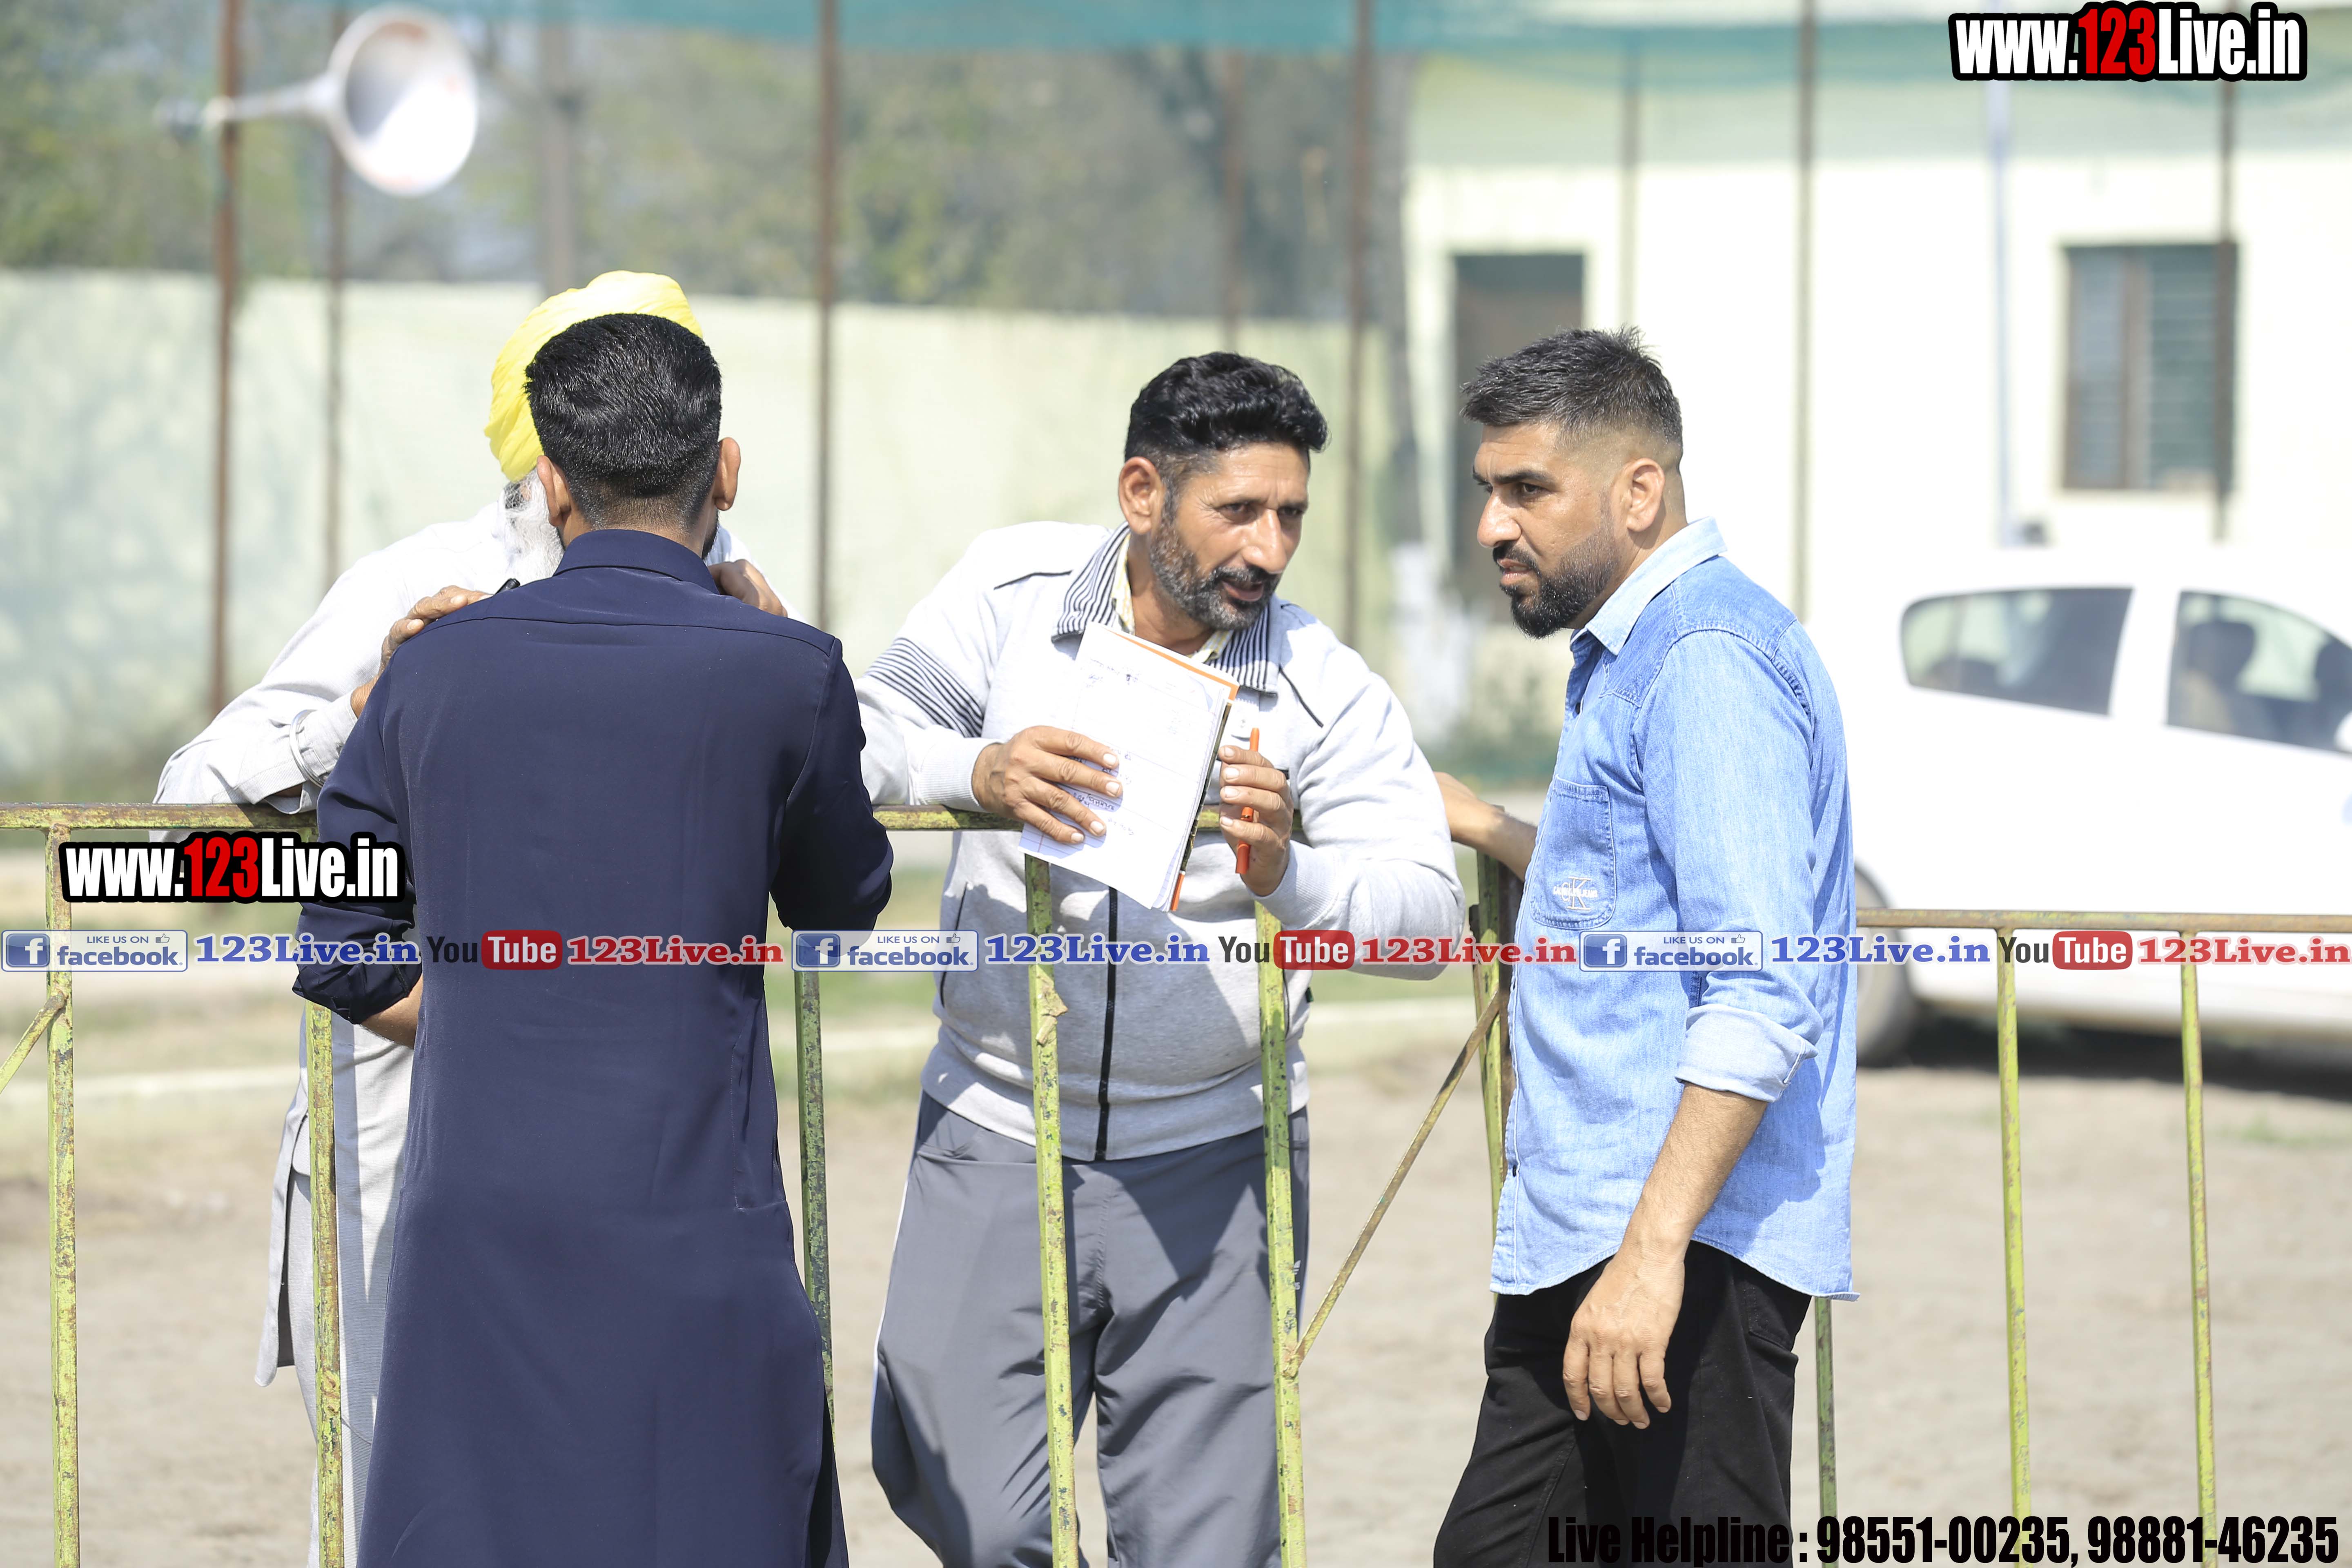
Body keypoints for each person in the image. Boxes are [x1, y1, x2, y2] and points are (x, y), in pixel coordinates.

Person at [153, 271, 785, 1561]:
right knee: (422, 1504)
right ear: (554, 458)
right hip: (411, 1116)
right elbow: (184, 835)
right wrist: (363, 717)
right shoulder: (427, 582)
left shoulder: (727, 598)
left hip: (653, 1129)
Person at [294, 308, 889, 1566]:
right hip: (695, 1218)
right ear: (726, 471)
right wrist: (778, 640)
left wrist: (491, 1011)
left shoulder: (431, 670)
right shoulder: (788, 671)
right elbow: (843, 900)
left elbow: (341, 941)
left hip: (477, 1229)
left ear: (553, 483)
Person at [858, 351, 1465, 1567]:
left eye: (1291, 514)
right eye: (1238, 510)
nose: (1269, 548)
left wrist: (1287, 872)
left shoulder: (1321, 684)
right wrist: (974, 771)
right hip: (994, 1124)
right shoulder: (1009, 591)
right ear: (1143, 492)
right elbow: (858, 733)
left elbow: (1431, 926)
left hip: (1219, 1155)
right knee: (974, 1510)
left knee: (1207, 1548)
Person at [1428, 329, 1857, 1561]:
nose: (1493, 526)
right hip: (1590, 1236)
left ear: (1638, 491)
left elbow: (1761, 992)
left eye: (1528, 490)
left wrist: (1653, 1256)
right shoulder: (1639, 652)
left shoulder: (1705, 659)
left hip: (1681, 1255)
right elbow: (1638, 896)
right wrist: (1492, 828)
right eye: (1488, 490)